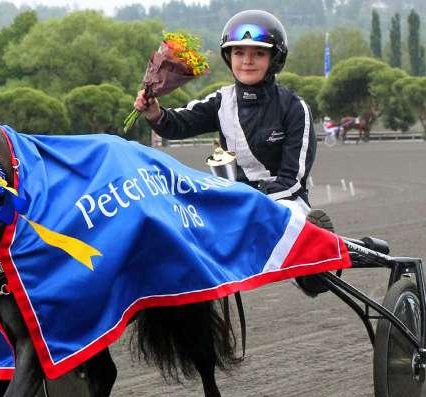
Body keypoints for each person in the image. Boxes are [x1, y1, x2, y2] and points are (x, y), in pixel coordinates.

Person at [134, 9, 333, 294]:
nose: (247, 61)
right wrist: (154, 112)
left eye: (258, 54)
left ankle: (314, 261)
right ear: (230, 58)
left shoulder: (294, 107)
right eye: (239, 52)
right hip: (233, 199)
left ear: (274, 59)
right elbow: (177, 125)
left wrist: (252, 199)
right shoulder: (221, 101)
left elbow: (293, 180)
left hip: (283, 200)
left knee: (285, 218)